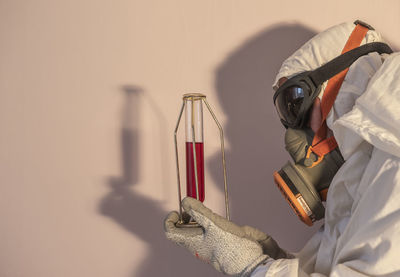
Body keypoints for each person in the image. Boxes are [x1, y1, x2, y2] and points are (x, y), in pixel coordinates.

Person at [164, 21, 400, 276]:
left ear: (344, 83)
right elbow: (338, 267)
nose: (296, 137)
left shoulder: (392, 159)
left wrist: (250, 266)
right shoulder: (371, 167)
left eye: (295, 102)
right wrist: (271, 257)